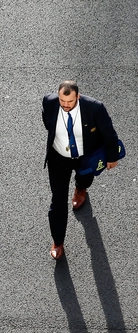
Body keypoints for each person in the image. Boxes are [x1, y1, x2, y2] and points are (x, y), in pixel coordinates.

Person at [42, 80, 121, 260]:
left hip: (85, 156)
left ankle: (81, 188)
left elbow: (109, 133)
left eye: (70, 102)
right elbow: (48, 123)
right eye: (62, 101)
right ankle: (58, 242)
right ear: (58, 95)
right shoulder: (48, 102)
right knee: (58, 200)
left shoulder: (95, 108)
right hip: (58, 158)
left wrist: (112, 157)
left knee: (85, 178)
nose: (65, 105)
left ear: (78, 96)